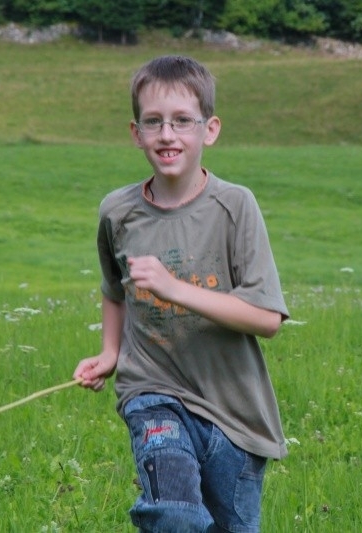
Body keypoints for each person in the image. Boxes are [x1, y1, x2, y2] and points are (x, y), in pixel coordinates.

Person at [72, 55, 289, 533]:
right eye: (153, 122)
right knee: (173, 515)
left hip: (234, 412)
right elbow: (115, 290)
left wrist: (175, 290)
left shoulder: (236, 207)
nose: (167, 134)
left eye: (182, 121)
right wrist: (110, 353)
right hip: (152, 392)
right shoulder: (117, 213)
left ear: (210, 130)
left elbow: (266, 319)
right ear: (136, 133)